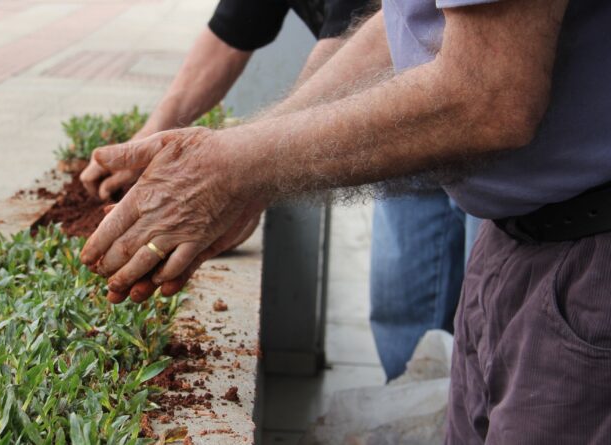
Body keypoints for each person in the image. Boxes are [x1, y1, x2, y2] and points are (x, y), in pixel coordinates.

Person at [80, 0, 611, 441]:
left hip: (587, 253)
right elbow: (404, 26)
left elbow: (489, 94)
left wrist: (236, 168)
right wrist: (245, 171)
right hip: (515, 237)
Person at [81, 0, 474, 381]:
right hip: (420, 141)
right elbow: (229, 35)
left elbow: (355, 43)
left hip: (497, 166)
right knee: (405, 312)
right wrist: (152, 136)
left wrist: (247, 171)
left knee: (477, 329)